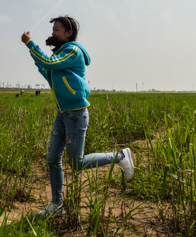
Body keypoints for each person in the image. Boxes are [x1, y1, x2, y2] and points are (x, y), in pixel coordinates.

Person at [21, 15, 134, 218]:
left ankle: (120, 156)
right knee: (53, 158)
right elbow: (47, 67)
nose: (53, 32)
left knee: (77, 162)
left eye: (57, 29)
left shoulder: (72, 51)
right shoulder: (60, 55)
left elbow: (48, 62)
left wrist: (30, 44)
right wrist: (35, 56)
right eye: (53, 29)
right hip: (63, 114)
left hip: (75, 115)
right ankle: (57, 205)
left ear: (68, 33)